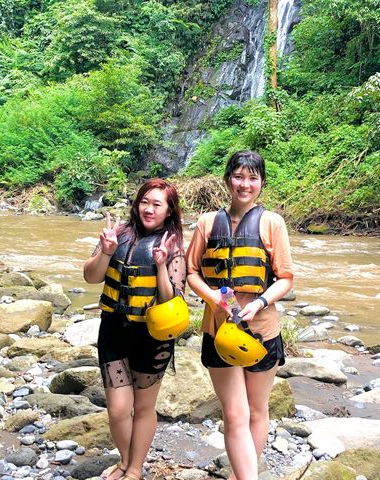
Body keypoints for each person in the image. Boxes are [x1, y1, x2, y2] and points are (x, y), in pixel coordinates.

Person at [186, 151, 294, 480]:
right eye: (238, 177)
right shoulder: (207, 223)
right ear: (227, 179)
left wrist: (260, 302)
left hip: (261, 330)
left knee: (257, 411)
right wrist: (215, 299)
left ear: (261, 183)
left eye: (252, 178)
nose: (244, 184)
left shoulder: (272, 223)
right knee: (234, 413)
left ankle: (239, 475)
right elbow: (192, 273)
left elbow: (286, 278)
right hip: (219, 331)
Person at [83, 178, 186, 480]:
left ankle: (135, 469)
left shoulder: (172, 245)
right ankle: (125, 461)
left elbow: (172, 300)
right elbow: (91, 277)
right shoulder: (117, 234)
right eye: (145, 201)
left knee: (143, 407)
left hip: (152, 337)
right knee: (117, 409)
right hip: (114, 329)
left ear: (169, 211)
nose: (149, 209)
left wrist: (162, 267)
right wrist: (105, 251)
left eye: (157, 204)